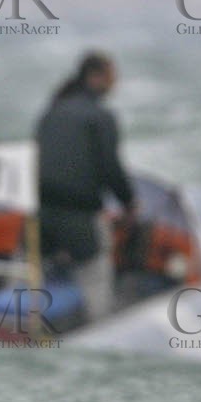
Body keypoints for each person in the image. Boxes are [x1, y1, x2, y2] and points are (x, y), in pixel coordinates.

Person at [33, 51, 137, 279]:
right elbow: (110, 167)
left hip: (41, 212)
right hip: (79, 215)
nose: (114, 83)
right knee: (96, 269)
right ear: (95, 77)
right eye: (112, 77)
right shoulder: (100, 116)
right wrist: (129, 203)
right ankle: (101, 313)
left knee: (36, 273)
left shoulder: (52, 111)